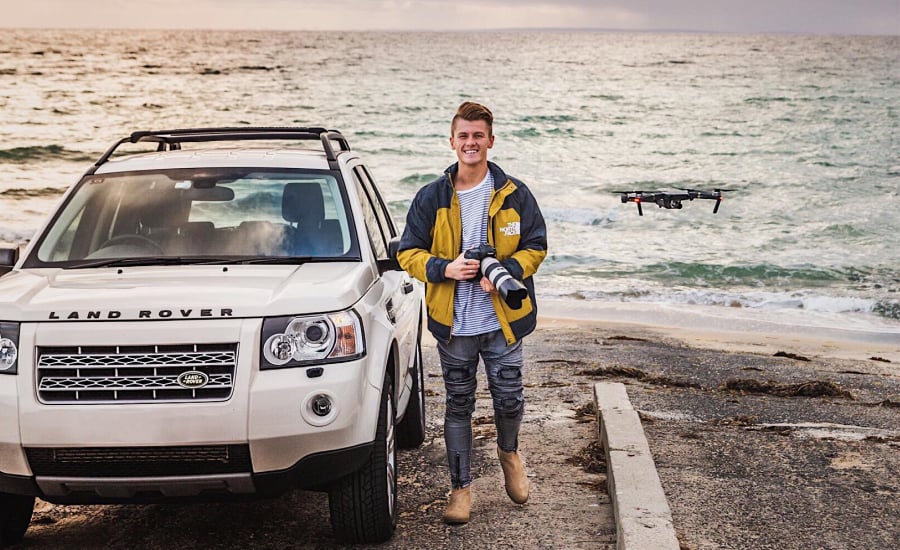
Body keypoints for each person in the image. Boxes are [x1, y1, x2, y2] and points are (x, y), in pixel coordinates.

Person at [397, 101, 547, 524]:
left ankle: (509, 454)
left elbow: (536, 245)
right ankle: (460, 490)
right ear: (452, 141)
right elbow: (407, 253)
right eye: (463, 135)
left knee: (510, 399)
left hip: (503, 321)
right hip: (455, 326)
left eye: (478, 135)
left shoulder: (515, 194)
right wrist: (445, 268)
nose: (471, 142)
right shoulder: (431, 197)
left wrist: (506, 270)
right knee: (459, 405)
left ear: (490, 140)